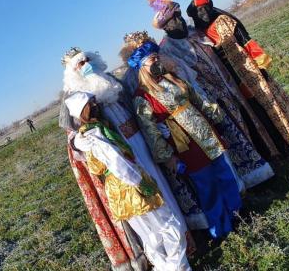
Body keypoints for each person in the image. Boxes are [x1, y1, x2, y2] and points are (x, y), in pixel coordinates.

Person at [60, 47, 207, 232]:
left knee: (160, 181)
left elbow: (136, 106)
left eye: (87, 60)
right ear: (73, 72)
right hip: (118, 150)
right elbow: (72, 133)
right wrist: (76, 142)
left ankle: (183, 229)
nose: (86, 65)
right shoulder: (72, 96)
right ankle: (167, 238)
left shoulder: (110, 80)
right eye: (80, 64)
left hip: (140, 138)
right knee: (142, 193)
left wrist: (156, 122)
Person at [147, 0, 275, 189]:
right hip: (209, 99)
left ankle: (267, 155)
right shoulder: (166, 51)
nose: (179, 20)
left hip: (228, 85)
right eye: (174, 19)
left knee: (249, 119)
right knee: (232, 136)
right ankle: (252, 178)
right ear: (166, 26)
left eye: (180, 16)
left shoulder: (195, 33)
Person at [128, 36, 242, 239]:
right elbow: (151, 132)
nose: (157, 62)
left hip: (205, 133)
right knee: (207, 186)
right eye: (152, 59)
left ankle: (237, 213)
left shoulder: (173, 78)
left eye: (157, 57)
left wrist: (216, 116)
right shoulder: (142, 97)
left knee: (224, 174)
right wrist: (168, 157)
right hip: (186, 145)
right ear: (141, 66)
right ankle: (221, 227)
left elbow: (198, 99)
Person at [186, 0, 289, 162]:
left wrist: (261, 64)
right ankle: (276, 148)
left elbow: (247, 42)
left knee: (271, 105)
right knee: (257, 113)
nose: (204, 13)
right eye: (199, 11)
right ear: (194, 15)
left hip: (250, 72)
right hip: (231, 81)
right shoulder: (199, 36)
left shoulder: (224, 21)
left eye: (206, 8)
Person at [66, 91, 191, 270]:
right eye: (90, 104)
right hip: (130, 185)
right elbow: (116, 161)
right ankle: (178, 268)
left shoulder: (92, 131)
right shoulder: (94, 133)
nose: (95, 106)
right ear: (83, 111)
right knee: (169, 225)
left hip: (117, 190)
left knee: (150, 234)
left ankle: (165, 267)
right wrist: (140, 183)